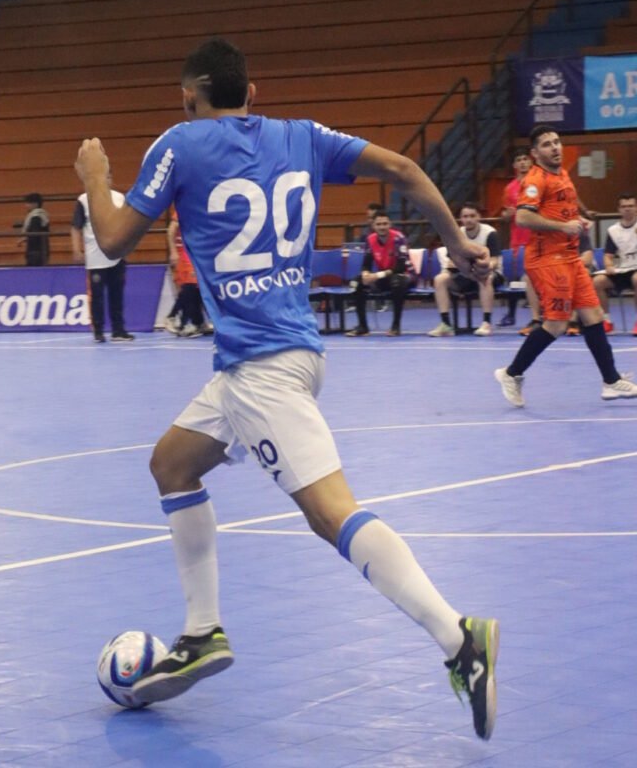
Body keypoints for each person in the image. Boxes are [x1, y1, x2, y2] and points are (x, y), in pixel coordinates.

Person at [74, 37, 498, 740]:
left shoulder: (178, 143)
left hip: (260, 368)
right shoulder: (302, 136)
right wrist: (454, 241)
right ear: (254, 92)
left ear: (190, 94)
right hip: (289, 352)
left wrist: (95, 175)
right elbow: (398, 166)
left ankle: (459, 638)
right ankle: (203, 631)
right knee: (172, 462)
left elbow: (114, 239)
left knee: (332, 514)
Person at [494, 125, 637, 407]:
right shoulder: (534, 180)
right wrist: (564, 226)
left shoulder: (561, 173)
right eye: (547, 144)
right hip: (547, 258)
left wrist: (579, 219)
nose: (555, 147)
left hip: (570, 257)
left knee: (593, 315)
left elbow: (563, 206)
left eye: (557, 142)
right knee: (557, 324)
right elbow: (522, 218)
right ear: (535, 153)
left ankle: (610, 380)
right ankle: (512, 374)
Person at [71, 181, 134, 343]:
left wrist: (127, 245)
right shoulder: (84, 199)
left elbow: (127, 223)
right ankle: (98, 331)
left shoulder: (120, 198)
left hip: (117, 254)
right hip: (95, 256)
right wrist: (77, 249)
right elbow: (76, 227)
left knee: (117, 294)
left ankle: (118, 330)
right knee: (97, 296)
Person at [429, 202, 502, 337]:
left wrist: (482, 268)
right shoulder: (457, 234)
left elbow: (495, 261)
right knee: (440, 279)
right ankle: (446, 325)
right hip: (465, 274)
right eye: (465, 216)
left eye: (472, 216)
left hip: (490, 273)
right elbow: (451, 261)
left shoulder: (490, 233)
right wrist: (460, 269)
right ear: (461, 219)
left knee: (485, 277)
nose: (468, 219)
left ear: (478, 216)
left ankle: (486, 323)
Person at [345, 211, 415, 337]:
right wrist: (366, 274)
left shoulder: (398, 238)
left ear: (390, 224)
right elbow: (366, 263)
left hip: (405, 275)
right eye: (379, 224)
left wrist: (376, 276)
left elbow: (400, 267)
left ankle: (395, 326)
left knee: (397, 282)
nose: (382, 227)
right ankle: (363, 327)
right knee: (357, 282)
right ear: (373, 226)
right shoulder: (370, 239)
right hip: (385, 276)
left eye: (385, 224)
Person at [498, 148, 541, 330]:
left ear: (531, 162)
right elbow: (505, 214)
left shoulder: (537, 184)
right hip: (517, 240)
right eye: (519, 160)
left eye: (525, 159)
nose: (523, 162)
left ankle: (541, 313)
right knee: (514, 276)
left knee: (536, 277)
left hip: (536, 238)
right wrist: (507, 214)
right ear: (515, 165)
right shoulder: (509, 189)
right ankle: (511, 313)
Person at [592, 193, 637, 335]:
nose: (627, 209)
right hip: (624, 269)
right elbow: (608, 256)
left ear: (636, 208)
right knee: (598, 281)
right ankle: (606, 320)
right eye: (624, 206)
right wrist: (609, 266)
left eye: (631, 206)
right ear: (619, 209)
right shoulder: (613, 230)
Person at [166, 207, 208, 337]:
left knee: (197, 289)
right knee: (189, 286)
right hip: (185, 254)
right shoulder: (186, 208)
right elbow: (171, 230)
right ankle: (174, 317)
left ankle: (197, 322)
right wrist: (173, 251)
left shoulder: (205, 209)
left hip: (199, 253)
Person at [15, 192, 50, 267]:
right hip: (40, 251)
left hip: (36, 252)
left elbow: (34, 234)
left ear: (35, 204)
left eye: (28, 203)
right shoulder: (41, 215)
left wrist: (24, 239)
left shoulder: (36, 217)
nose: (26, 205)